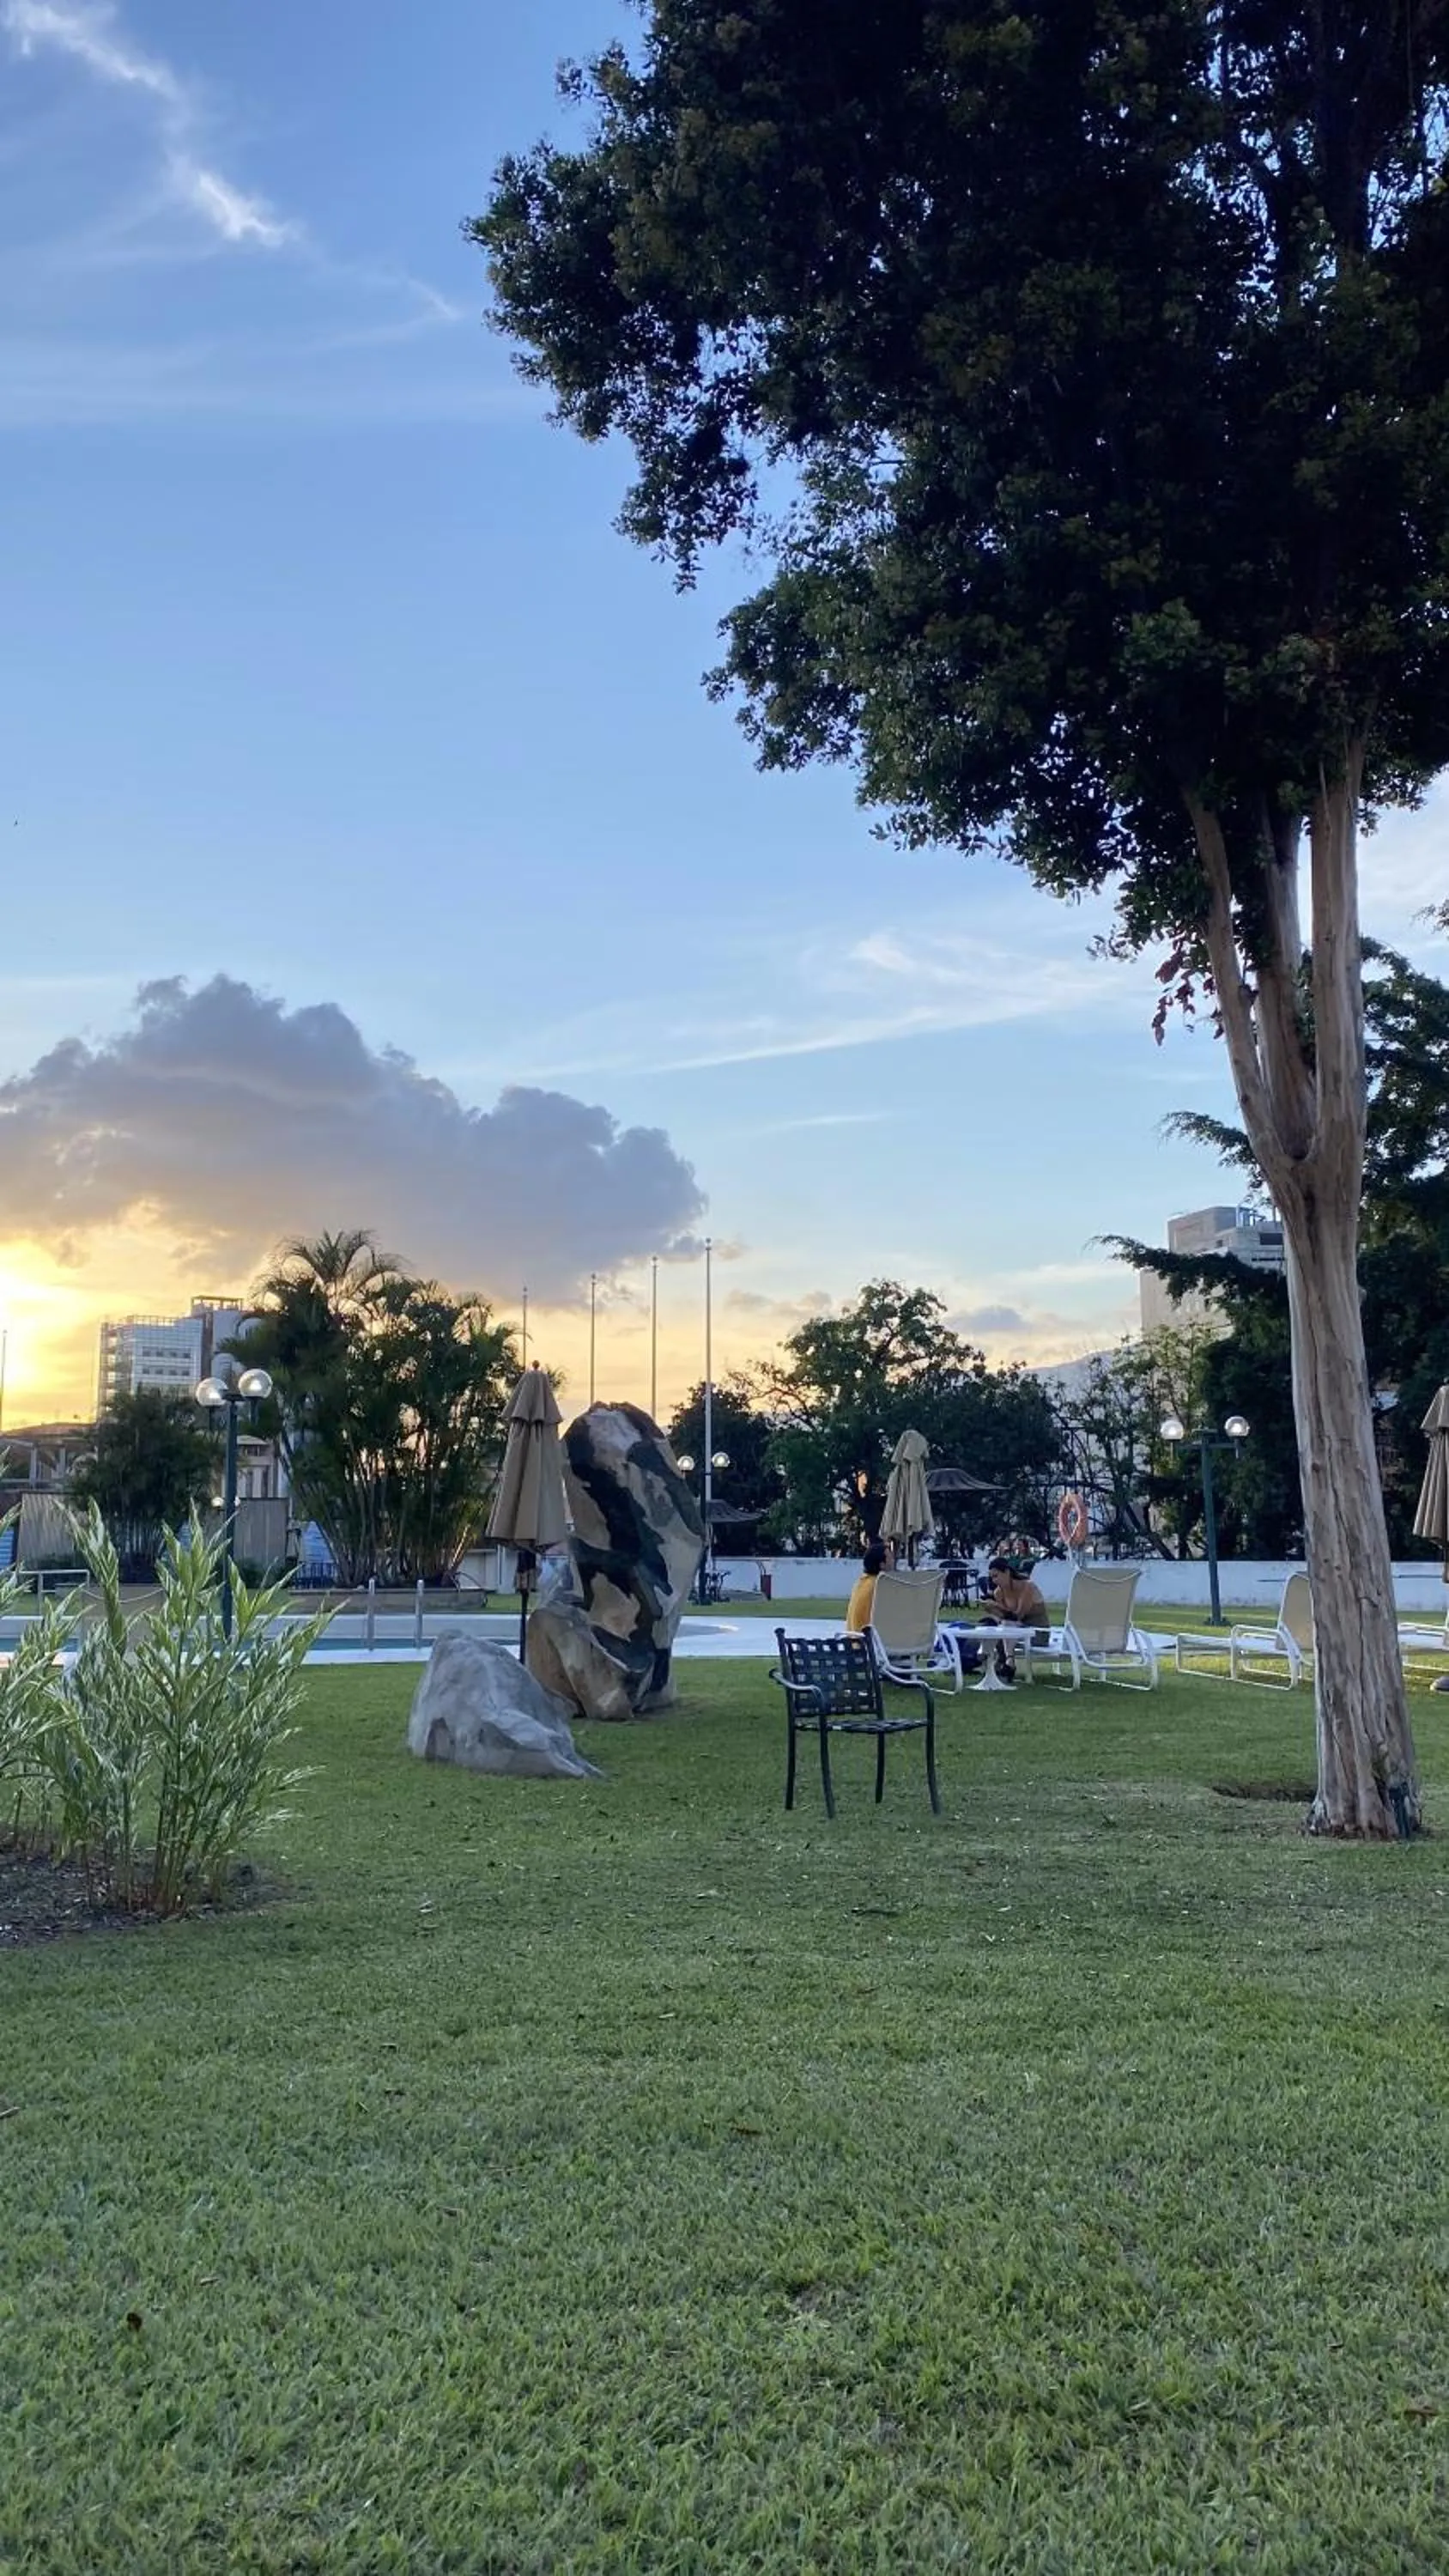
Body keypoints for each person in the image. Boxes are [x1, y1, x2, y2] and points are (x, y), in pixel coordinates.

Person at [974, 1554, 1050, 1683]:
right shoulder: (999, 1592)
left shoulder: (1027, 1586)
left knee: (1007, 1625)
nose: (994, 1580)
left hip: (1037, 1632)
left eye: (996, 1576)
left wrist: (997, 1606)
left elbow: (1018, 1616)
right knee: (991, 1624)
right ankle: (995, 1662)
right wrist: (993, 1610)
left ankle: (1008, 1661)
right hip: (1015, 1633)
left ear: (1007, 1572)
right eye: (991, 1577)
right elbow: (1005, 1617)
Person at [846, 1540, 888, 1633]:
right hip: (869, 1644)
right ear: (882, 1565)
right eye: (891, 1558)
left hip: (853, 1640)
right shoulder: (879, 1586)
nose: (894, 1561)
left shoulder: (862, 1582)